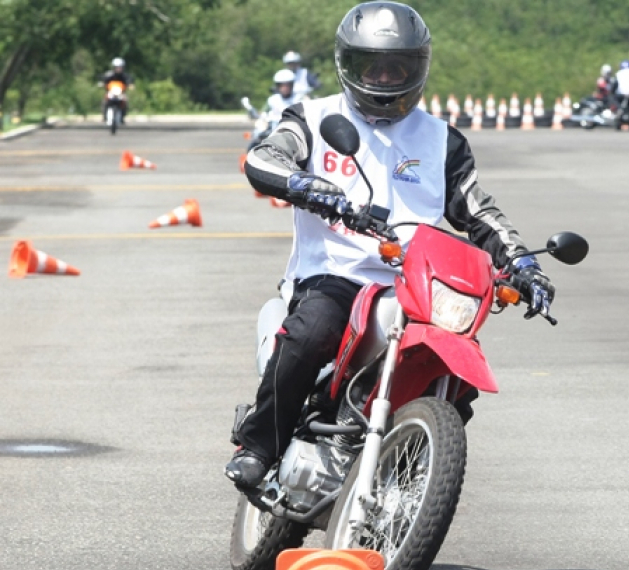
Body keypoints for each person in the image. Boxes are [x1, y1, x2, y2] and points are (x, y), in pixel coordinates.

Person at [226, 1, 556, 491]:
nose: (384, 77)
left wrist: (525, 264)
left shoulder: (442, 140)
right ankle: (259, 446)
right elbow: (264, 158)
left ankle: (412, 473)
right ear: (348, 65)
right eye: (372, 66)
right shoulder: (315, 118)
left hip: (417, 282)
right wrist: (306, 185)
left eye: (397, 66)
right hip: (336, 272)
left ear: (418, 67)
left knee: (455, 372)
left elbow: (479, 212)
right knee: (311, 334)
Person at [99, 57, 135, 123]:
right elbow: (104, 80)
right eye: (117, 67)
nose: (119, 69)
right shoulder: (109, 75)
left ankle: (122, 116)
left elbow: (129, 81)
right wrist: (102, 84)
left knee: (125, 101)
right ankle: (104, 116)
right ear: (114, 67)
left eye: (120, 67)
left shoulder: (125, 76)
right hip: (111, 92)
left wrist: (130, 85)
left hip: (121, 93)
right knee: (104, 101)